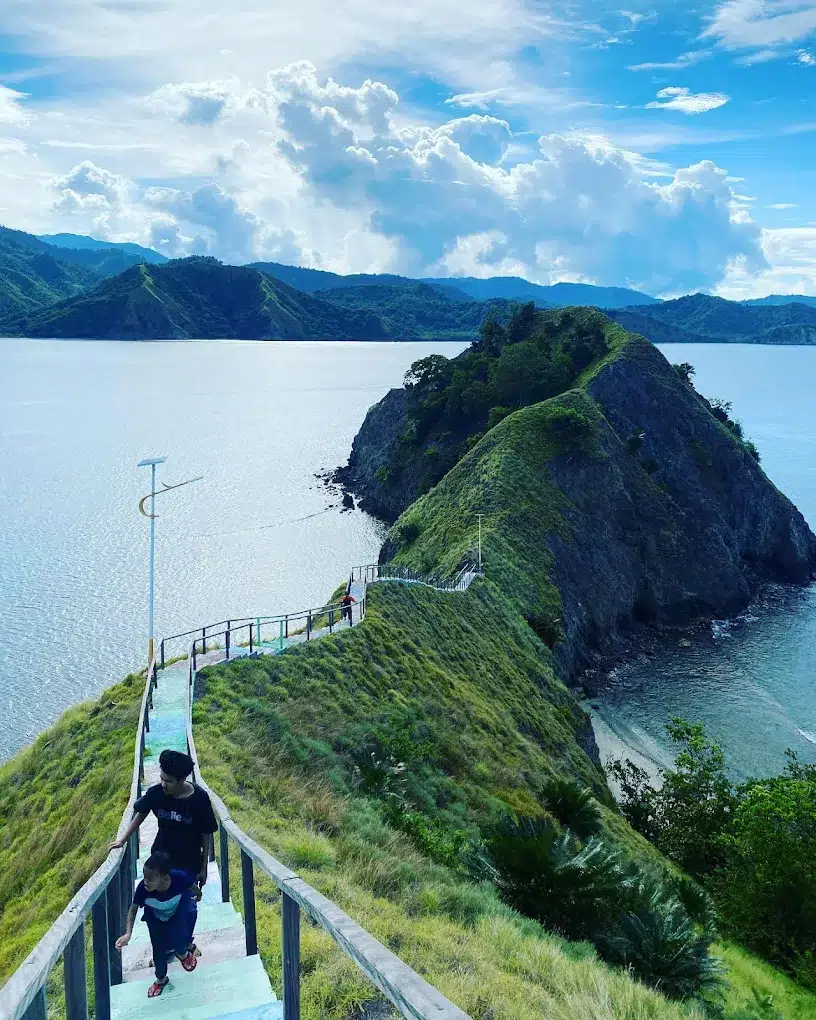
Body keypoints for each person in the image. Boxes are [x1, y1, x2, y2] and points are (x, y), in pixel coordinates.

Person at [109, 749, 218, 950]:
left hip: (189, 862)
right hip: (161, 861)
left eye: (168, 781)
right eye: (161, 778)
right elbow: (140, 814)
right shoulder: (157, 793)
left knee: (184, 907)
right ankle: (165, 950)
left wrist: (204, 866)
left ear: (182, 779)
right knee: (157, 909)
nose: (163, 784)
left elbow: (206, 833)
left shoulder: (200, 800)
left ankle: (183, 945)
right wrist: (122, 840)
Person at [115, 851, 198, 997]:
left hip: (176, 914)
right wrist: (128, 933)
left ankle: (182, 953)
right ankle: (161, 979)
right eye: (145, 877)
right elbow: (133, 909)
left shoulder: (179, 878)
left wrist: (198, 894)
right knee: (158, 949)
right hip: (155, 919)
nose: (146, 881)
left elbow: (192, 887)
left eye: (151, 878)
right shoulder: (142, 889)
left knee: (180, 935)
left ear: (165, 878)